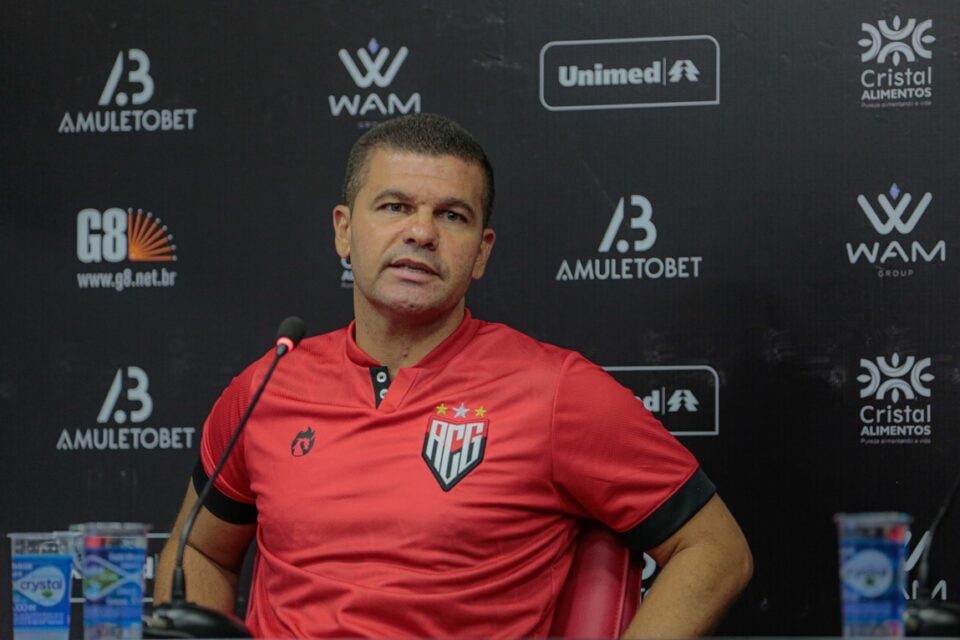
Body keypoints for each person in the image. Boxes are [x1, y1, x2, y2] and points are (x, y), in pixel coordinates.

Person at [154, 113, 752, 638]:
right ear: (343, 230)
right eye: (395, 207)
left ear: (482, 251)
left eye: (452, 215)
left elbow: (715, 550)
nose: (421, 232)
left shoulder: (556, 391)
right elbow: (199, 550)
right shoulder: (266, 386)